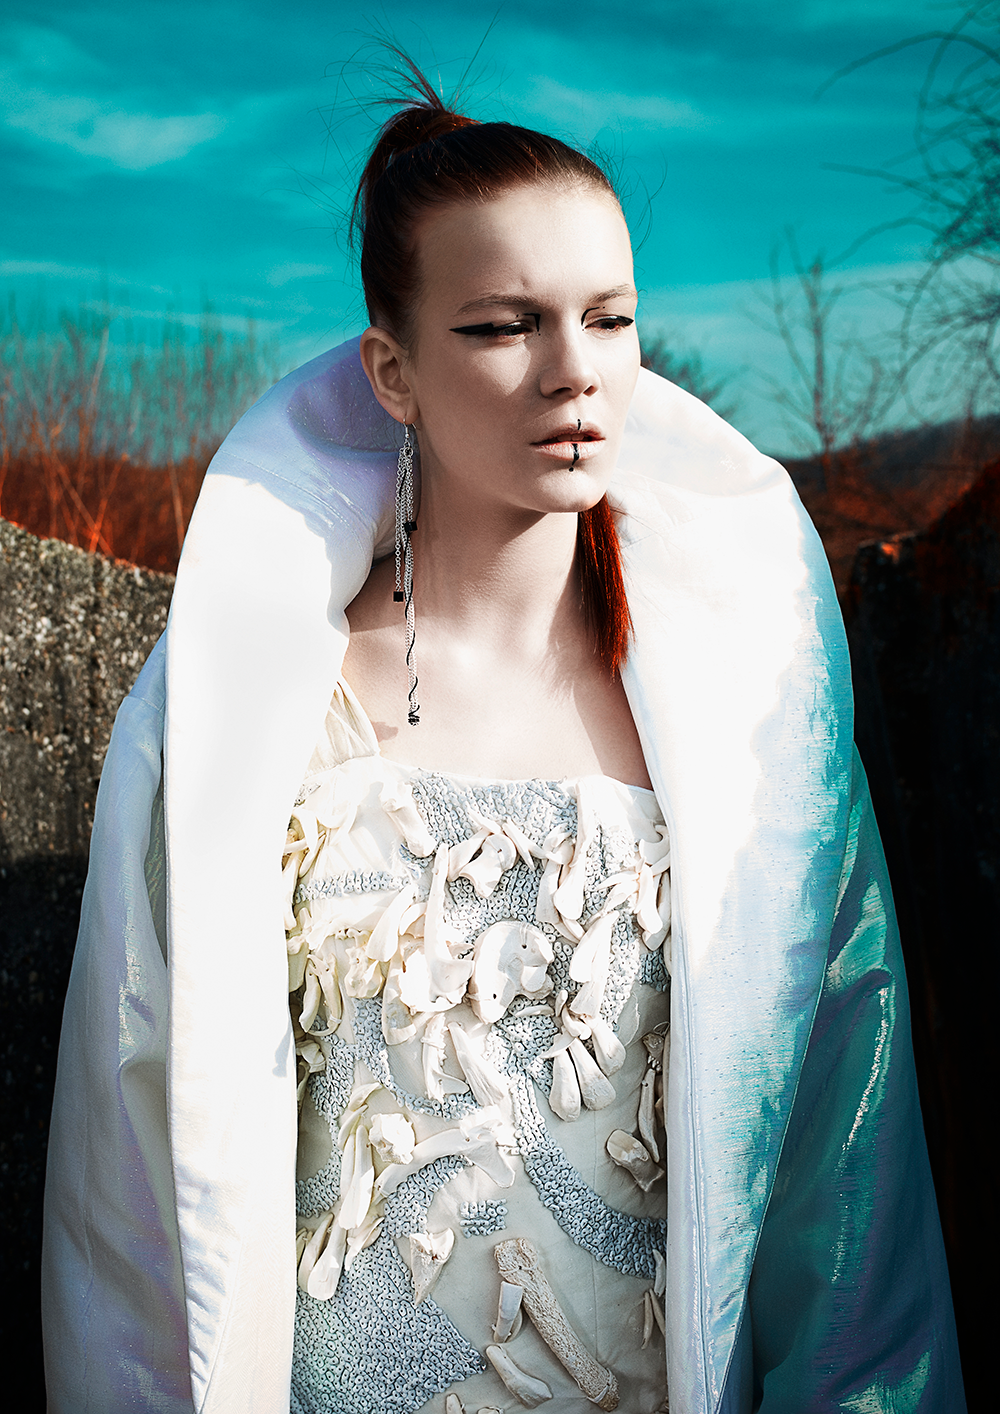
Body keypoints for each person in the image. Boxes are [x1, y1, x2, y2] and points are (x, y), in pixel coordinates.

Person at [41, 63, 964, 1414]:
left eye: (611, 318)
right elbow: (133, 1164)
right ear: (393, 372)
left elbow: (847, 1180)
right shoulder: (250, 715)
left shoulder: (749, 732)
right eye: (502, 324)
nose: (573, 369)